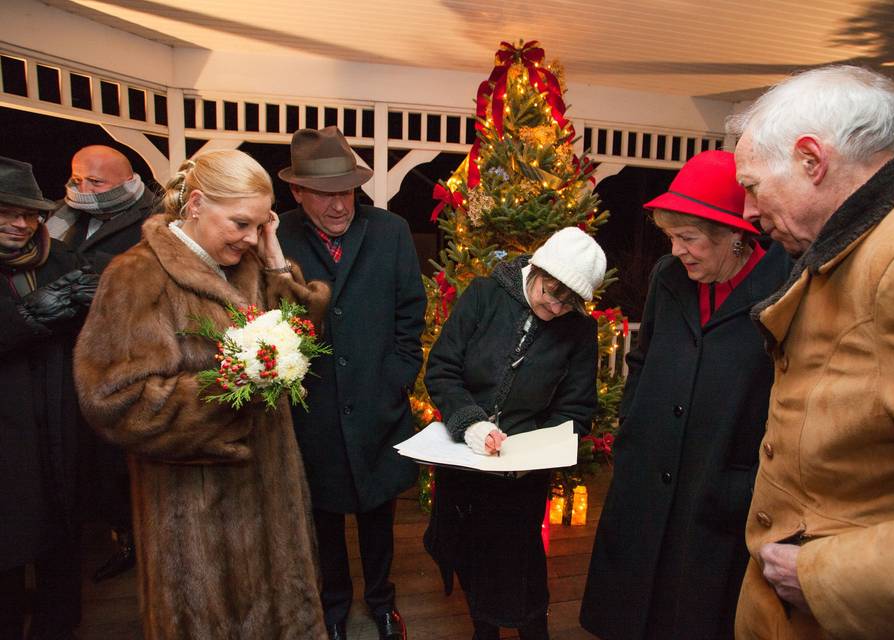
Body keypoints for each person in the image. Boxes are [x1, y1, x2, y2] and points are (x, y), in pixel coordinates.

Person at [728, 65, 894, 639]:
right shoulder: (860, 242)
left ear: (812, 160)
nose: (748, 214)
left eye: (754, 186)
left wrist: (830, 577)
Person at [73, 149, 331, 639]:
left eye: (261, 225)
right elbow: (115, 401)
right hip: (196, 518)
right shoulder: (137, 276)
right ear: (195, 204)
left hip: (273, 502)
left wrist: (278, 266)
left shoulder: (250, 263)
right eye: (241, 223)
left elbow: (299, 338)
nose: (251, 238)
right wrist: (231, 384)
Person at [579, 151, 792, 639]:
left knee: (692, 612)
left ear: (735, 235)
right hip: (646, 473)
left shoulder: (783, 287)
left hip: (718, 481)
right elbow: (642, 357)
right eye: (671, 237)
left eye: (689, 238)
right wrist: (631, 426)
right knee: (629, 608)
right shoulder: (667, 278)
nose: (677, 250)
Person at [276, 127, 426, 640]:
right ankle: (333, 608)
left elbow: (411, 311)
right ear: (297, 192)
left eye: (347, 191)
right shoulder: (277, 238)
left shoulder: (391, 231)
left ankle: (383, 602)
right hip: (311, 411)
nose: (340, 205)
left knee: (379, 513)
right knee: (324, 518)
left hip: (379, 402)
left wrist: (397, 379)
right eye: (325, 193)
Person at [424, 227, 606, 640]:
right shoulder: (484, 296)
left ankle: (530, 630)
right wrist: (471, 423)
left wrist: (532, 453)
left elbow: (576, 411)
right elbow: (443, 369)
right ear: (536, 268)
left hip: (521, 475)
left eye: (569, 302)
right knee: (467, 551)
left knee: (518, 564)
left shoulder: (579, 331)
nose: (556, 307)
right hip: (463, 460)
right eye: (551, 291)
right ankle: (482, 631)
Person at [47, 144, 156, 581]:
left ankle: (135, 538)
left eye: (96, 182)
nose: (83, 189)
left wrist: (102, 281)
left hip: (126, 356)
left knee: (121, 458)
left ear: (127, 181)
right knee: (83, 458)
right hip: (67, 351)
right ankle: (113, 534)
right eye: (77, 179)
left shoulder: (155, 217)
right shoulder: (61, 217)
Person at [0, 156, 99, 640]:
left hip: (60, 425)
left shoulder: (63, 259)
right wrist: (25, 319)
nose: (21, 223)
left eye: (30, 213)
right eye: (7, 211)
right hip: (6, 434)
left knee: (61, 539)